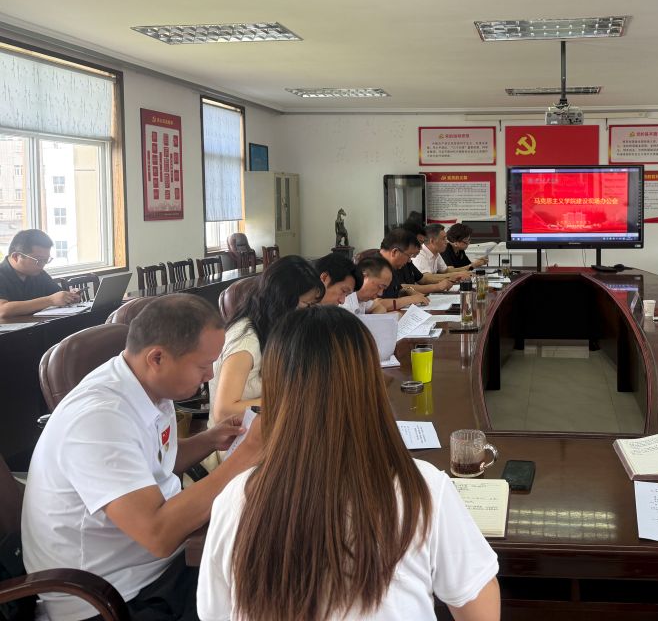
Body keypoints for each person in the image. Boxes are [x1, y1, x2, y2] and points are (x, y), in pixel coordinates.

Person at [197, 305, 501, 621]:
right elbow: (479, 609)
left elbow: (214, 613)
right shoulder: (421, 488)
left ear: (274, 392)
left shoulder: (235, 500)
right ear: (371, 385)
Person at [21, 295, 262, 621]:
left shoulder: (148, 386)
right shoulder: (99, 419)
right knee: (263, 593)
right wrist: (245, 456)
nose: (209, 375)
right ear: (157, 358)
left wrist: (210, 440)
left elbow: (156, 462)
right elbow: (158, 535)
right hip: (113, 597)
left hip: (156, 567)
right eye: (203, 365)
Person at [210, 255, 323, 422]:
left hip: (263, 424)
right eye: (307, 305)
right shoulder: (246, 341)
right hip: (236, 435)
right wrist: (289, 402)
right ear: (284, 300)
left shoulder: (270, 327)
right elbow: (224, 411)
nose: (309, 313)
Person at [0, 228, 81, 318]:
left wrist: (70, 297)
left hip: (38, 324)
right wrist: (50, 300)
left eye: (46, 260)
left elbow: (58, 295)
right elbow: (2, 310)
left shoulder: (39, 273)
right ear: (16, 256)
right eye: (38, 260)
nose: (42, 265)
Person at [379, 229, 453, 303]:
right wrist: (408, 300)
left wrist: (407, 290)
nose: (409, 260)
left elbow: (397, 289)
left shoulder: (391, 266)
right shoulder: (375, 265)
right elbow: (375, 304)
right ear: (395, 252)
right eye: (409, 256)